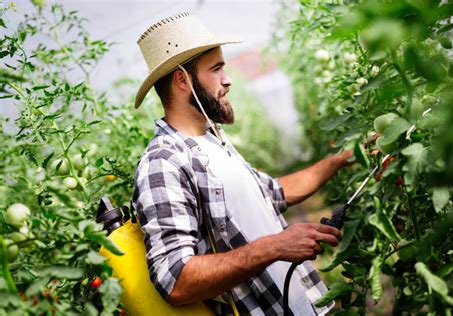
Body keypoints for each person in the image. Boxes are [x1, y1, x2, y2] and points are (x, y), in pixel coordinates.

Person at [132, 12, 353, 315]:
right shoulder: (163, 163)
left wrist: (340, 160)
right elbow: (175, 279)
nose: (228, 79)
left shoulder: (214, 140)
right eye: (216, 69)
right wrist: (274, 246)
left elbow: (274, 192)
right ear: (183, 80)